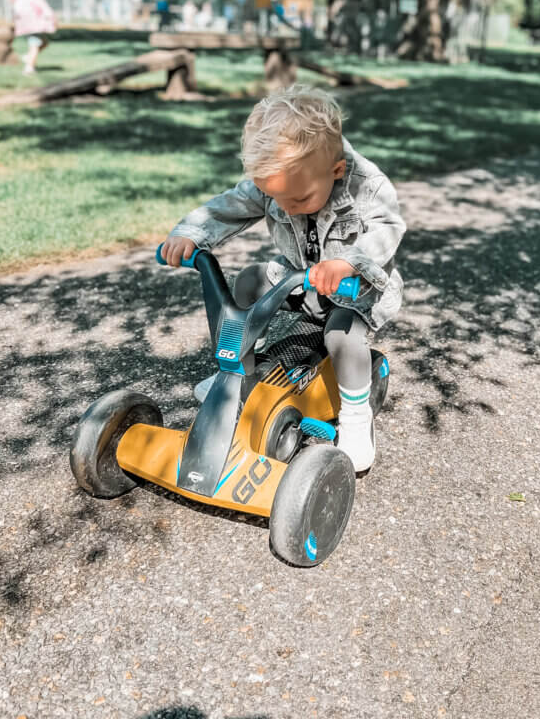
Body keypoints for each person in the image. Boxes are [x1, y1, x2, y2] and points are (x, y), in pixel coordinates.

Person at [160, 85, 405, 472]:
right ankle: (239, 373)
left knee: (339, 335)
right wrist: (191, 233)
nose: (287, 208)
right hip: (299, 276)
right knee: (250, 281)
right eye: (277, 200)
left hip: (355, 289)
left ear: (336, 170)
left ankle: (357, 419)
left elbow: (388, 228)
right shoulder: (283, 181)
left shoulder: (366, 185)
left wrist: (348, 263)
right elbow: (228, 206)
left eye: (300, 201)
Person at [13, 0, 57, 75]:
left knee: (44, 42)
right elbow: (46, 9)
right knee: (35, 45)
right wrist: (52, 18)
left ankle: (28, 57)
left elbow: (17, 10)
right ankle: (29, 68)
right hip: (35, 26)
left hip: (27, 25)